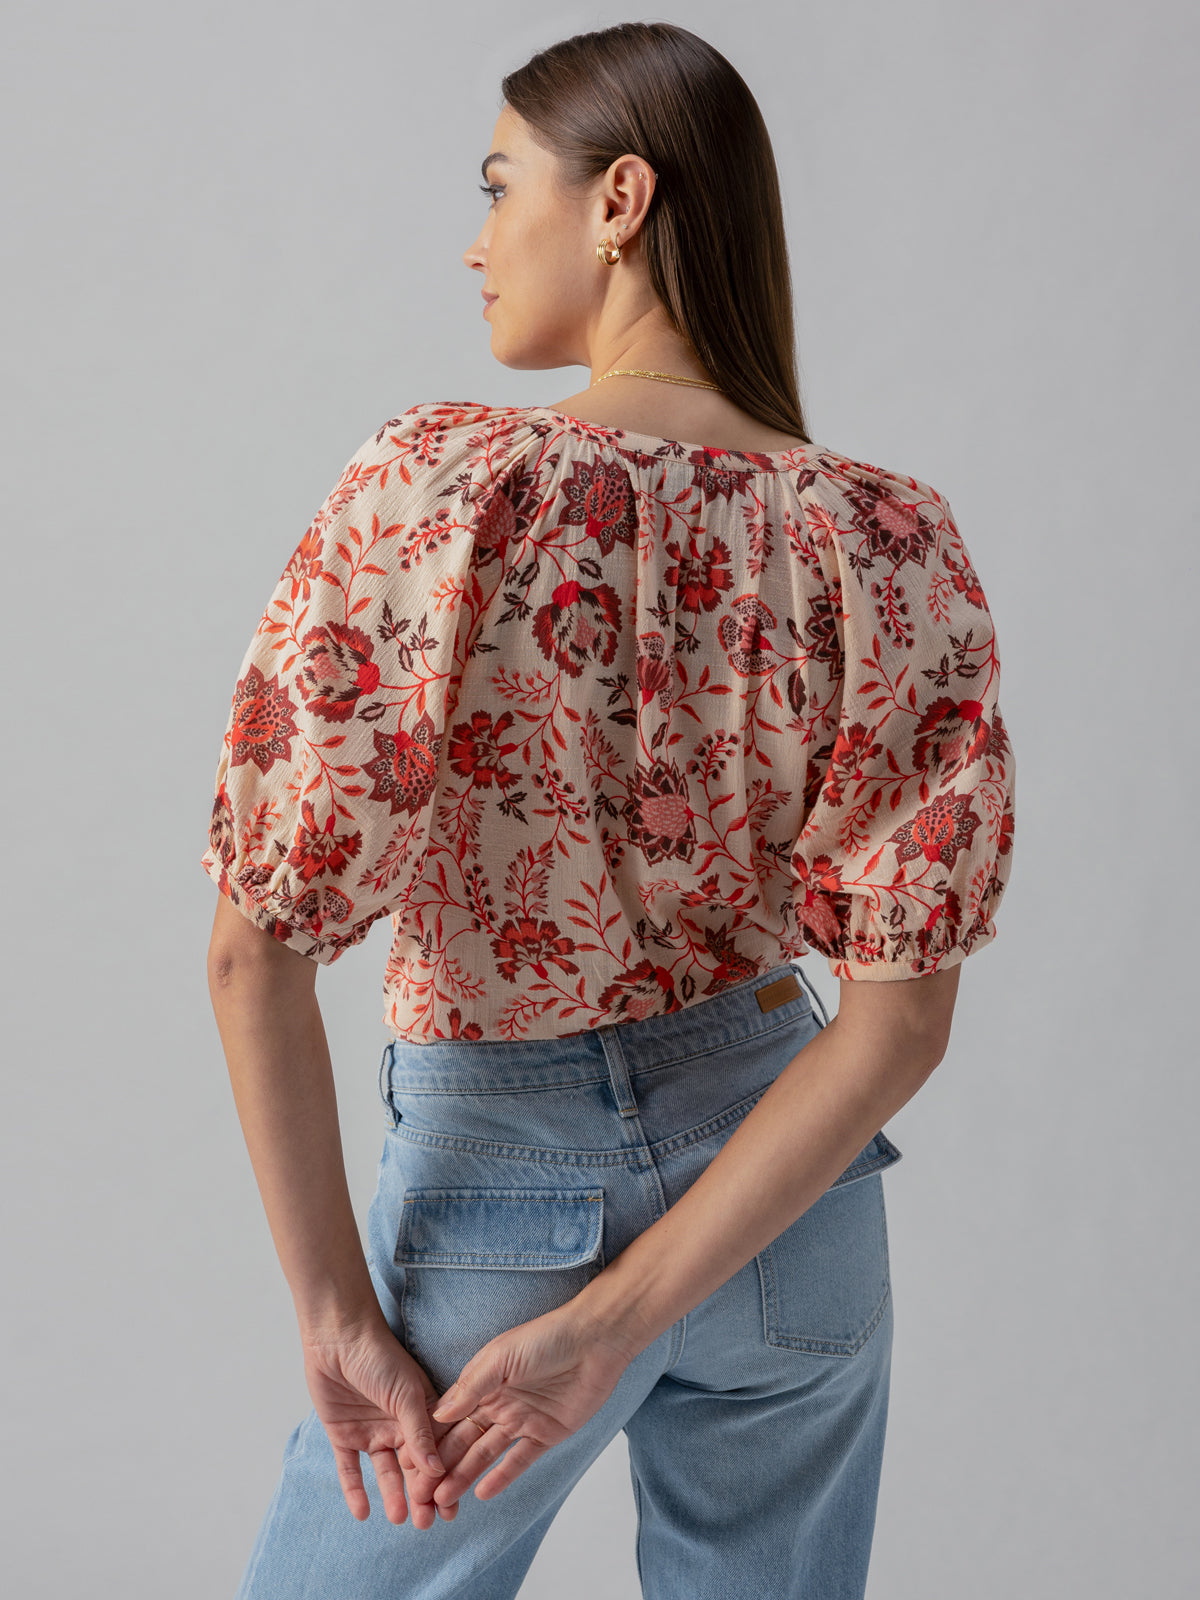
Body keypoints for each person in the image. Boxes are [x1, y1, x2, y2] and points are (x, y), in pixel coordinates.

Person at [202, 21, 1016, 1599]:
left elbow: (255, 953)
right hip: (790, 1205)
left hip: (501, 1192)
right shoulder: (885, 540)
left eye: (502, 182)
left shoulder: (441, 491)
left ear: (619, 197)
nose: (477, 236)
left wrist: (334, 1317)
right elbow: (899, 1024)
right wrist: (634, 1316)